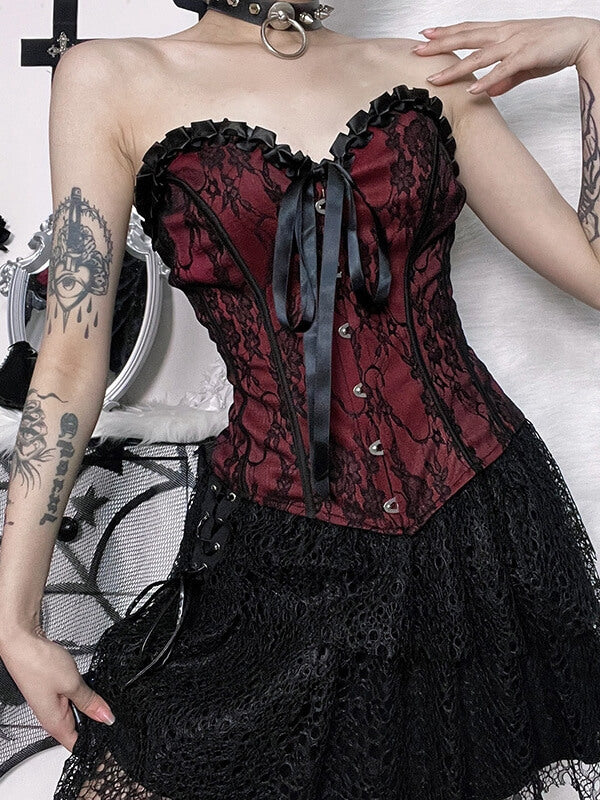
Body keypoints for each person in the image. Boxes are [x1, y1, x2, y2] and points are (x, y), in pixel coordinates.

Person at [1, 1, 600, 797]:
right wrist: (16, 622)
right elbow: (72, 359)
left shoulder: (427, 73)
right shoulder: (108, 78)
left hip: (477, 528)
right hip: (281, 544)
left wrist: (592, 48)